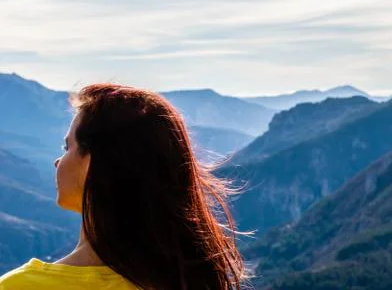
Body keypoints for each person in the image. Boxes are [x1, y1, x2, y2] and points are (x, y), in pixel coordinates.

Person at [0, 84, 246, 290]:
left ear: (92, 165)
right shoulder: (189, 282)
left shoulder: (22, 286)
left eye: (67, 148)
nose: (57, 161)